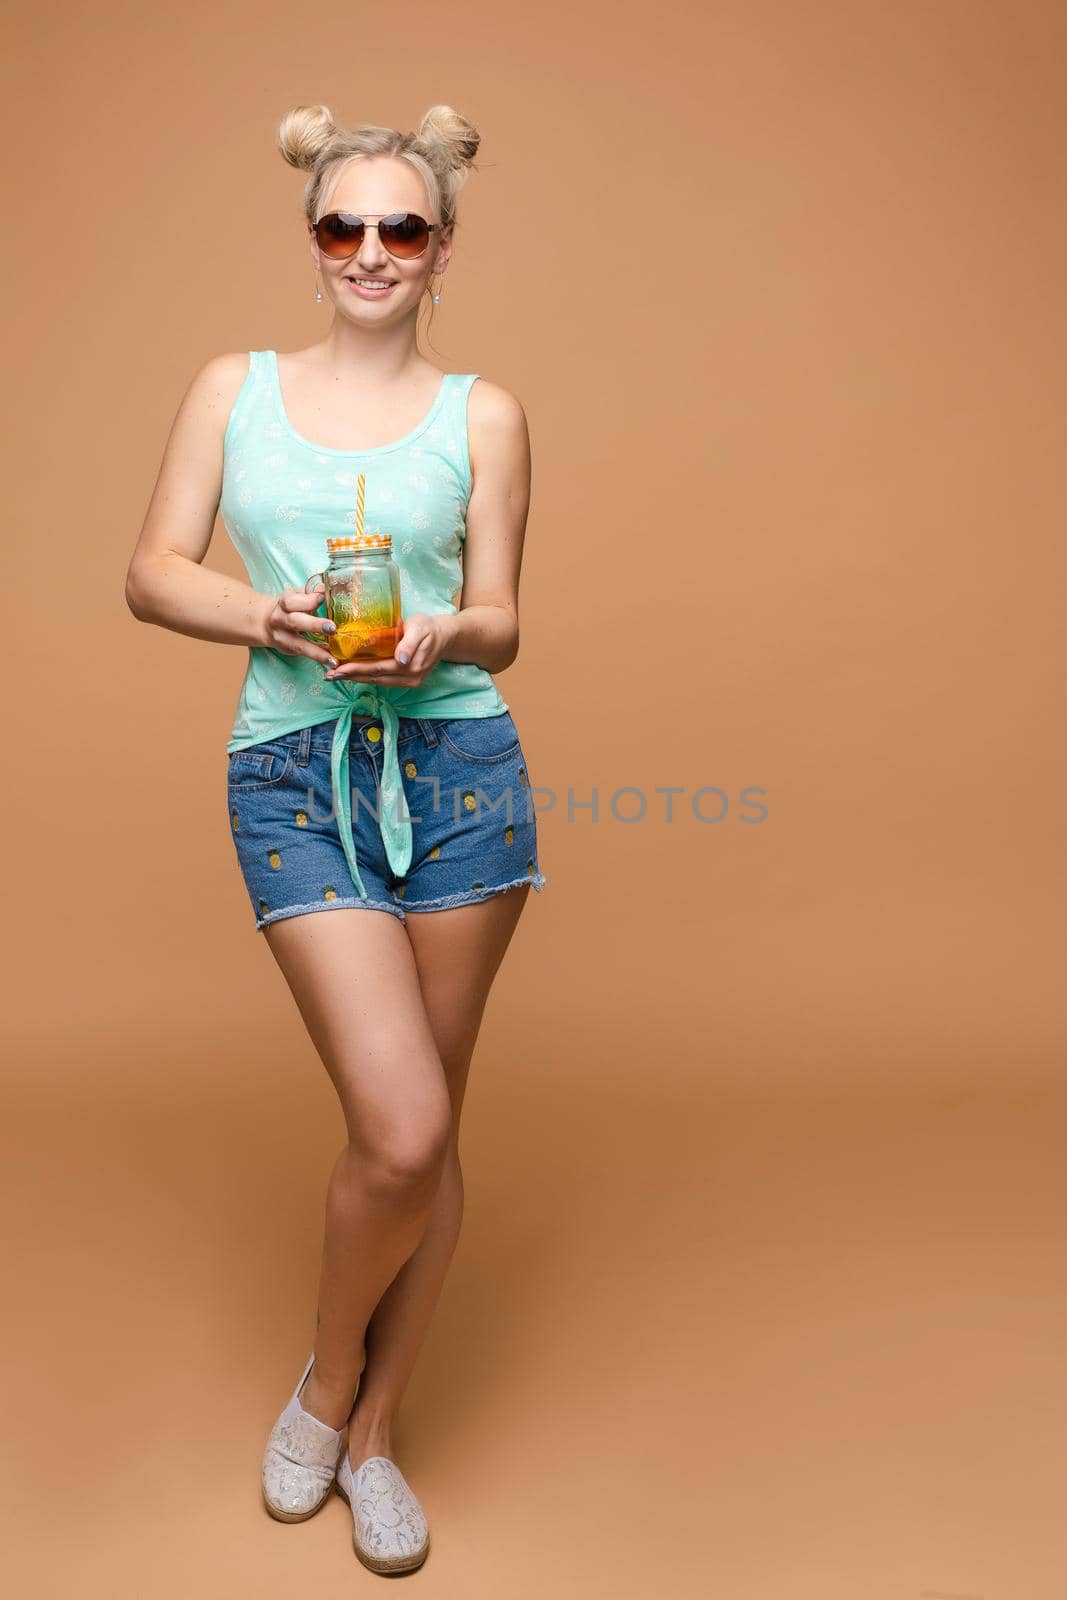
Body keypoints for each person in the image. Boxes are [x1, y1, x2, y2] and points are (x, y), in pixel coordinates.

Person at [124, 101, 547, 1575]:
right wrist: (268, 615)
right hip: (294, 766)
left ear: (442, 251)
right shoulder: (231, 387)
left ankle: (376, 1438)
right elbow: (150, 570)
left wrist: (441, 631)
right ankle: (323, 1381)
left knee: (435, 1138)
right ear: (312, 241)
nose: (370, 251)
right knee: (401, 1124)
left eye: (401, 228)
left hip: (460, 762)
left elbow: (504, 615)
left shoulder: (483, 412)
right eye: (342, 226)